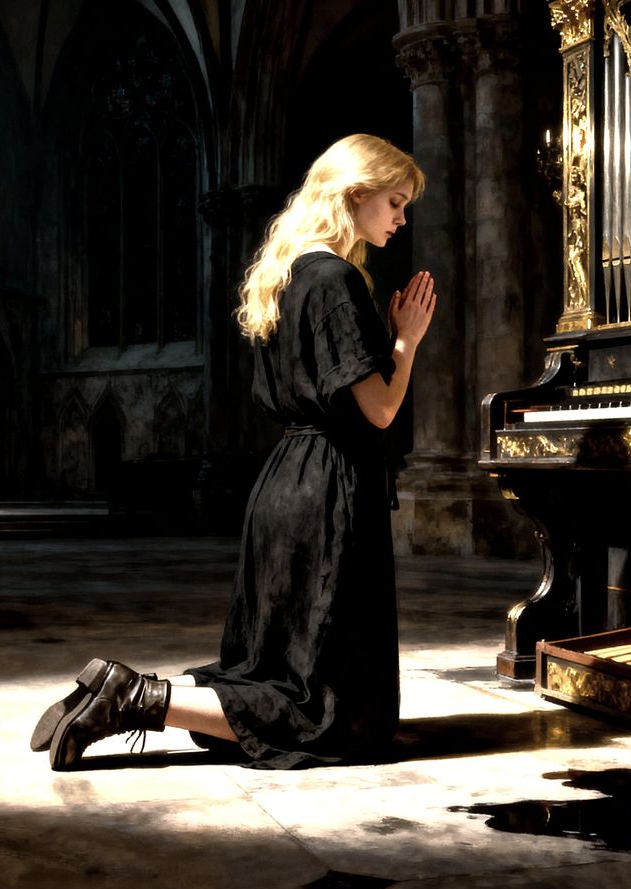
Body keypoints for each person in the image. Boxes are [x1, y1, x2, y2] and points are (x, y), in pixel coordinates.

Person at [32, 134, 436, 770]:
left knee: (276, 669)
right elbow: (381, 410)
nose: (401, 218)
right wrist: (406, 341)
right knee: (332, 716)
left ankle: (115, 694)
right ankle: (138, 698)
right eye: (394, 201)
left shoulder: (287, 275)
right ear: (355, 194)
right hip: (329, 491)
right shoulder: (336, 279)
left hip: (284, 482)